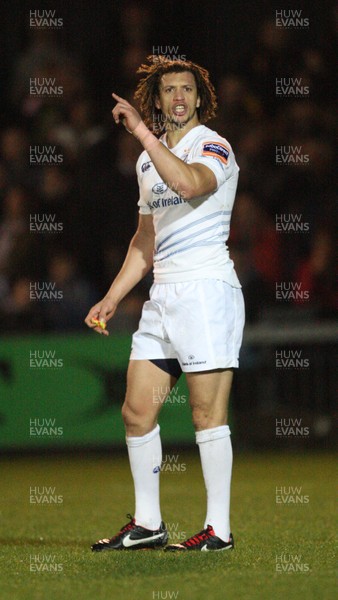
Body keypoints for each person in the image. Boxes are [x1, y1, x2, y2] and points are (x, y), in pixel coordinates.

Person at [85, 56, 245, 552]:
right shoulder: (145, 162)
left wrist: (143, 135)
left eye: (187, 90)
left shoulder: (212, 145)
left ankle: (218, 530)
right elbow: (145, 238)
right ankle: (149, 524)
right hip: (163, 298)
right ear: (157, 99)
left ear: (200, 99)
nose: (179, 97)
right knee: (136, 411)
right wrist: (112, 296)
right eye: (169, 90)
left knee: (205, 416)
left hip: (206, 293)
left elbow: (189, 184)